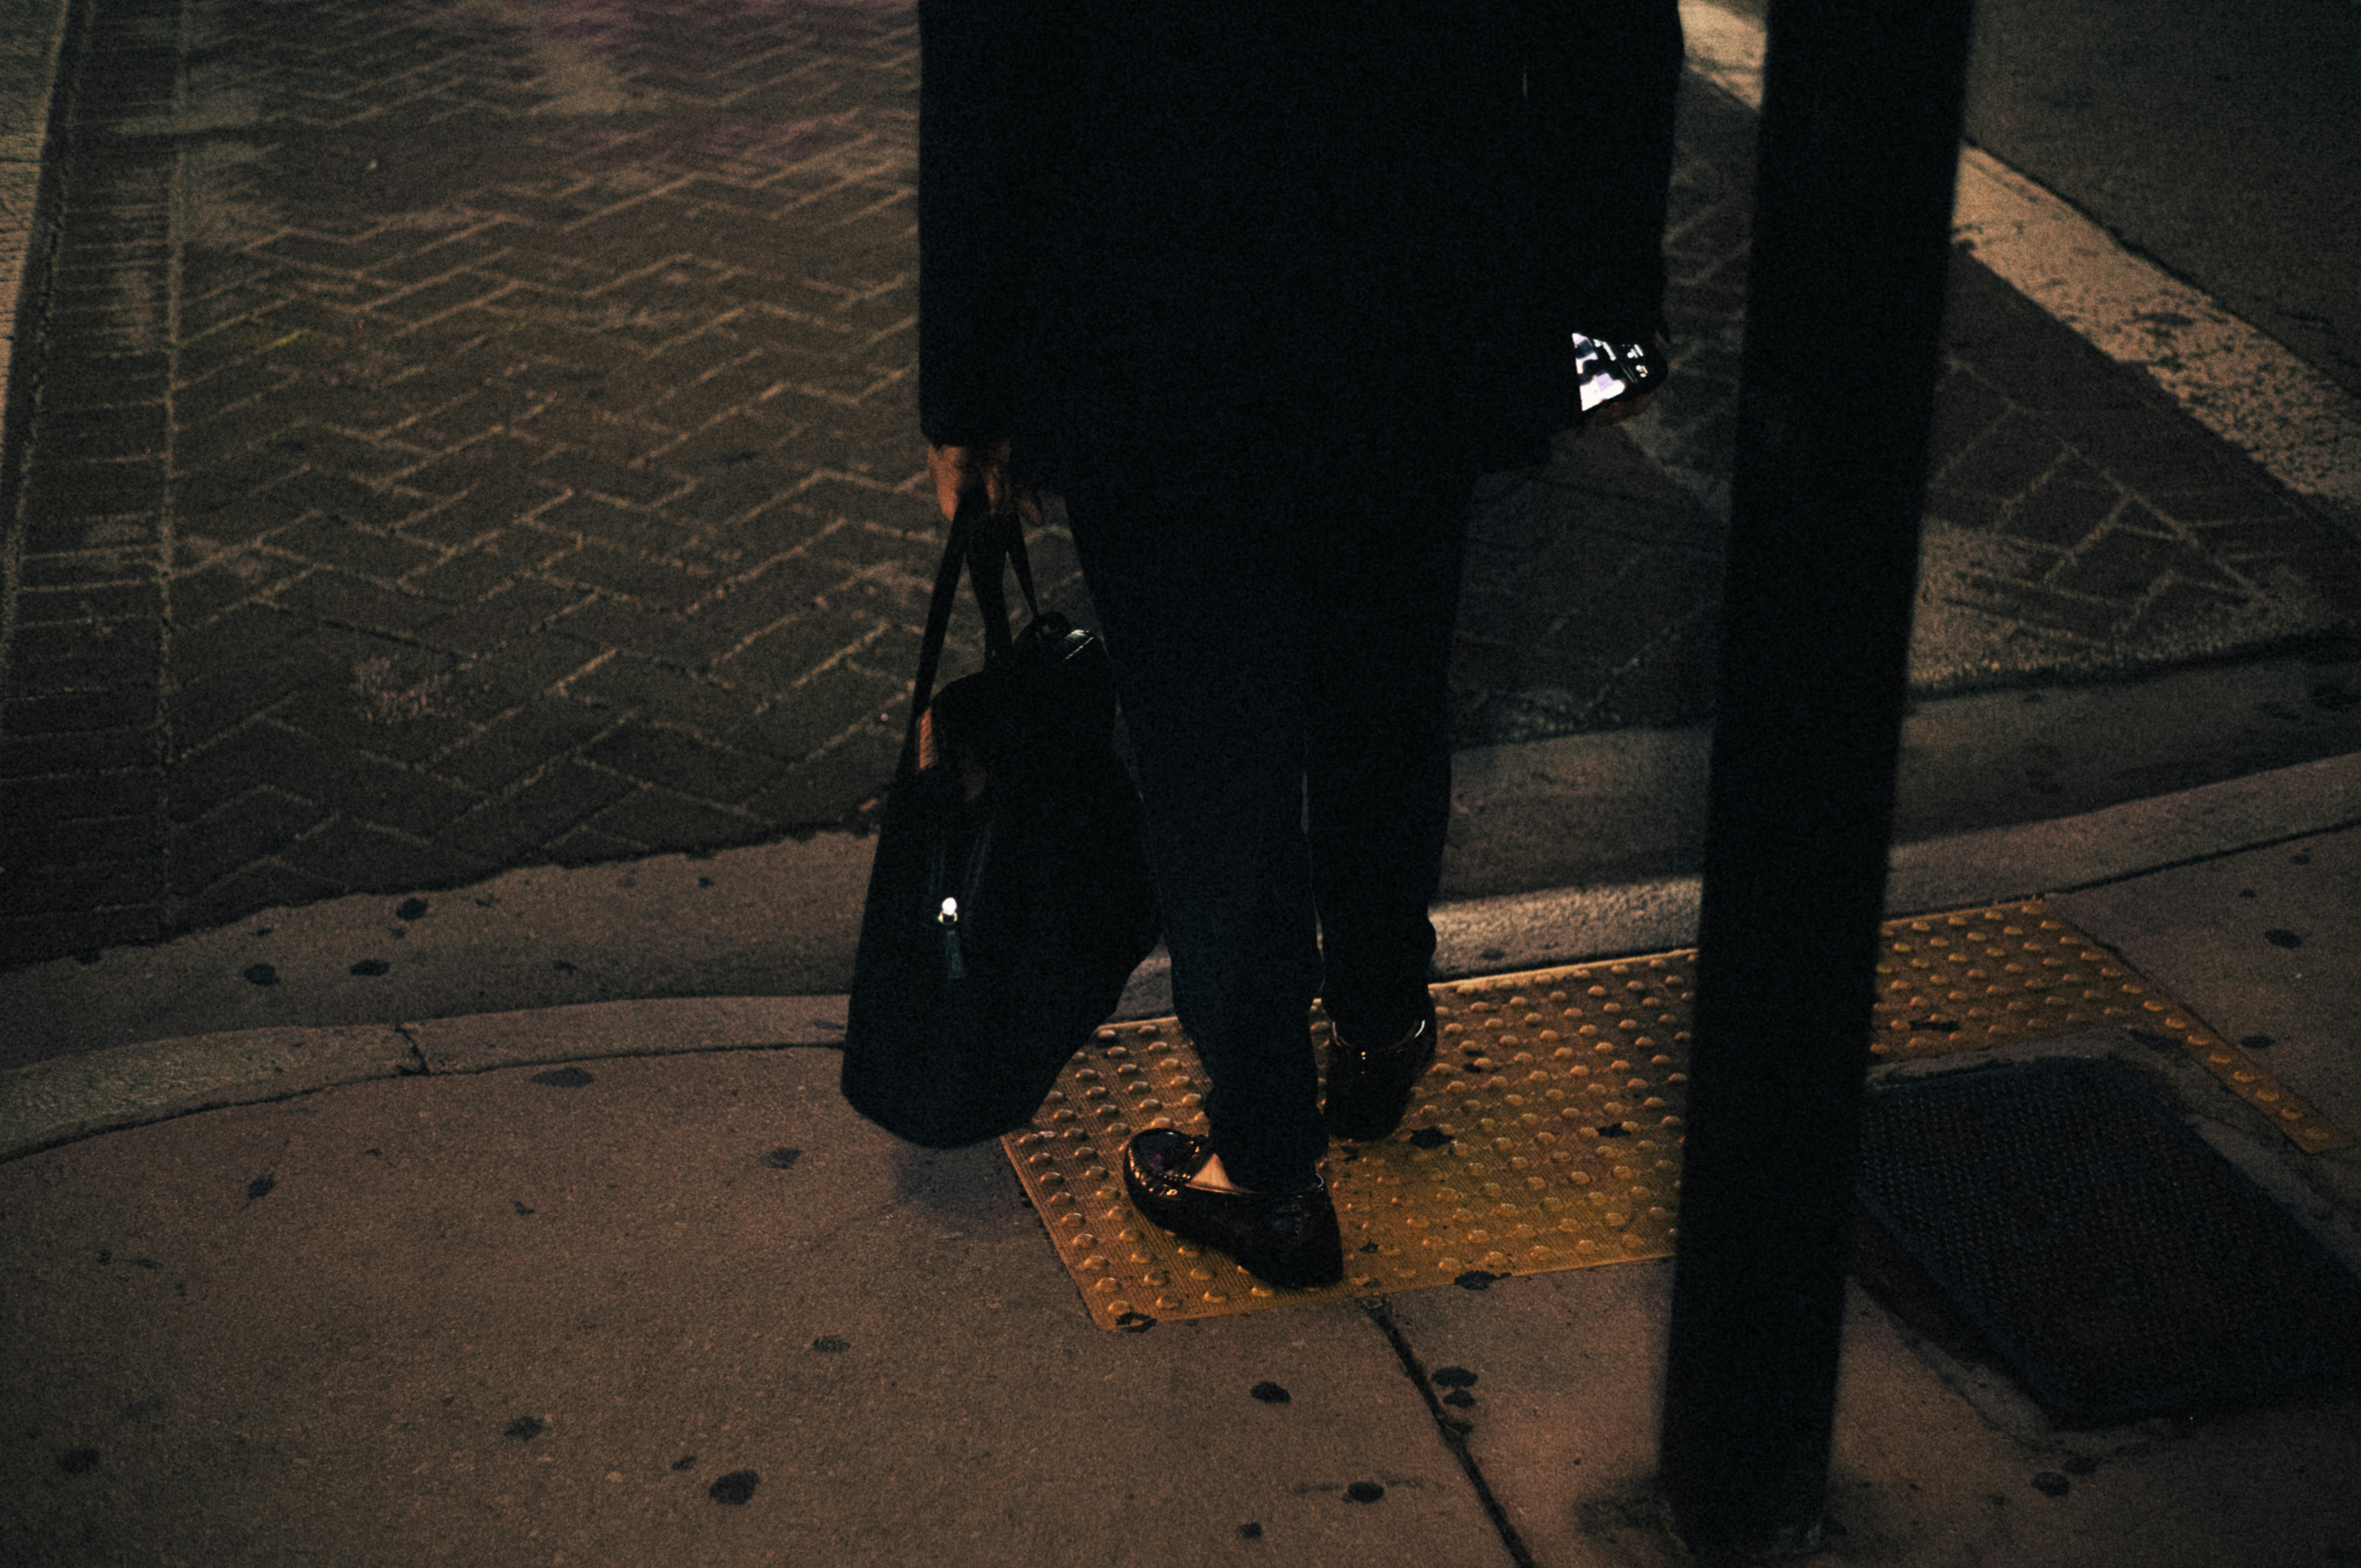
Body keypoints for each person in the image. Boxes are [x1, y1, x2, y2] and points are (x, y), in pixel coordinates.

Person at [918, 0, 1684, 1287]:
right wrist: (1605, 318)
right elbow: (1607, 36)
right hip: (1413, 270)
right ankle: (1381, 1020)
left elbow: (990, 67)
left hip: (1147, 293)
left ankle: (1265, 1159)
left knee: (1207, 728)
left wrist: (967, 392)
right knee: (1387, 665)